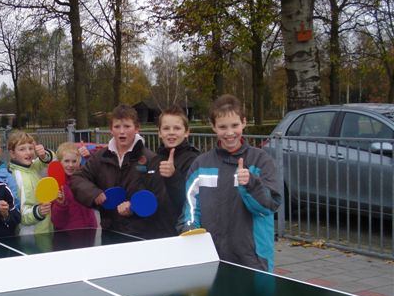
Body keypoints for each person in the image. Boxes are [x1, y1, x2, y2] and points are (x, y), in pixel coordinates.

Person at [179, 94, 281, 271]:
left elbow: (268, 206)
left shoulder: (261, 160)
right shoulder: (200, 164)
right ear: (213, 127)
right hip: (211, 256)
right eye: (222, 127)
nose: (229, 133)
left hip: (253, 259)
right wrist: (190, 229)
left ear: (244, 122)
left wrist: (251, 183)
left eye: (235, 125)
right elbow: (191, 207)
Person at [70, 104, 175, 239]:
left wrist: (134, 207)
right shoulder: (100, 157)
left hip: (141, 235)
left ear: (137, 128)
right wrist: (93, 193)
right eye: (117, 126)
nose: (122, 131)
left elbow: (159, 198)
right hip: (110, 233)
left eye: (127, 126)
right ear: (110, 130)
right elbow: (77, 179)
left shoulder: (151, 159)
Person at [156, 105, 200, 222]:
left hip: (181, 229)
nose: (171, 133)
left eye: (177, 128)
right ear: (159, 133)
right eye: (166, 128)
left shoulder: (194, 161)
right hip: (155, 231)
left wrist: (173, 176)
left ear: (186, 132)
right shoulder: (153, 159)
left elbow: (190, 200)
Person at [7, 130, 54, 235]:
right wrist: (39, 211)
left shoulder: (32, 166)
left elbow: (52, 162)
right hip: (31, 234)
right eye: (22, 149)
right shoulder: (17, 177)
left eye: (31, 148)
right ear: (12, 153)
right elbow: (21, 213)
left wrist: (43, 155)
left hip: (44, 228)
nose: (28, 152)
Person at [51, 142, 98, 230]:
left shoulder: (85, 177)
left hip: (90, 229)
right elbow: (56, 220)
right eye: (66, 161)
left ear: (79, 161)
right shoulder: (55, 184)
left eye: (74, 161)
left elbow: (98, 170)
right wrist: (60, 204)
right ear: (59, 162)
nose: (70, 165)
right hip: (68, 234)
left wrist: (89, 156)